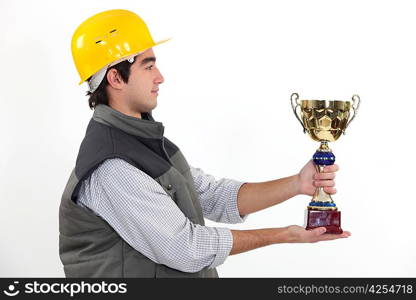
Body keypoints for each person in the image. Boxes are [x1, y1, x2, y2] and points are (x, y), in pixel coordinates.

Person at [59, 9, 350, 278]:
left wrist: (298, 184)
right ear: (115, 78)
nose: (160, 77)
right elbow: (186, 248)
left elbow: (214, 196)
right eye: (148, 67)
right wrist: (285, 235)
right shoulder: (112, 167)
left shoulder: (144, 141)